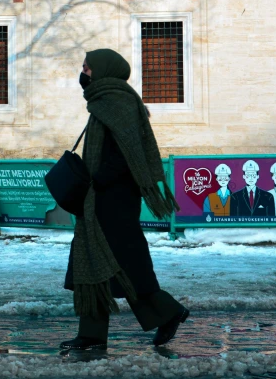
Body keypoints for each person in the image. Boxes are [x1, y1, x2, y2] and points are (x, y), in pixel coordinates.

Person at [61, 49, 189, 352]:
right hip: (100, 198)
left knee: (124, 266)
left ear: (103, 71)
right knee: (96, 261)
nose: (83, 73)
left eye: (87, 68)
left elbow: (125, 153)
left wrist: (99, 180)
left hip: (114, 200)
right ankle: (92, 334)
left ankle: (168, 312)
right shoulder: (103, 101)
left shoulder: (117, 102)